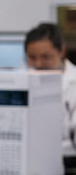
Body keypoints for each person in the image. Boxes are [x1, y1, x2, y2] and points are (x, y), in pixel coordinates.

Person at [23, 22, 76, 156]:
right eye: (32, 57)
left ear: (62, 52)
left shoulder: (73, 84)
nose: (38, 64)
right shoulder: (21, 81)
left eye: (45, 57)